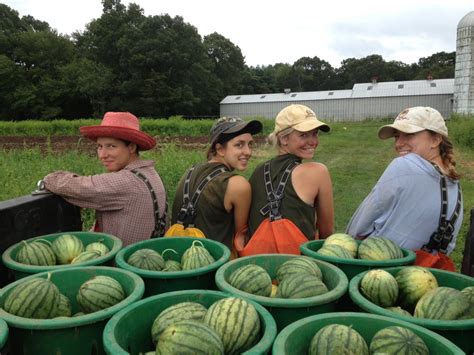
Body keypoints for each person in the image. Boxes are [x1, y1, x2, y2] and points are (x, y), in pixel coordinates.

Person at [346, 106, 463, 254]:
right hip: (426, 273)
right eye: (397, 136)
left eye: (409, 134)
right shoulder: (454, 183)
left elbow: (358, 226)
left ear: (435, 140)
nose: (398, 143)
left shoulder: (404, 165)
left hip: (382, 267)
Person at [43, 112, 167, 246]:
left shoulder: (126, 181)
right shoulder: (150, 172)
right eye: (99, 146)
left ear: (131, 147)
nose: (102, 155)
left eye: (111, 146)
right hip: (150, 254)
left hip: (123, 261)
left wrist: (49, 179)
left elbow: (80, 187)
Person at [169, 116, 263, 248]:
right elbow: (240, 237)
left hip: (180, 257)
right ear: (220, 149)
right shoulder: (238, 185)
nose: (248, 152)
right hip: (215, 262)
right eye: (239, 144)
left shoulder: (189, 172)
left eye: (250, 144)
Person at [247, 104, 335, 240]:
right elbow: (326, 232)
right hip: (298, 260)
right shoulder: (318, 172)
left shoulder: (259, 170)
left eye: (315, 133)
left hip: (256, 258)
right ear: (283, 138)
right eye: (304, 135)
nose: (313, 141)